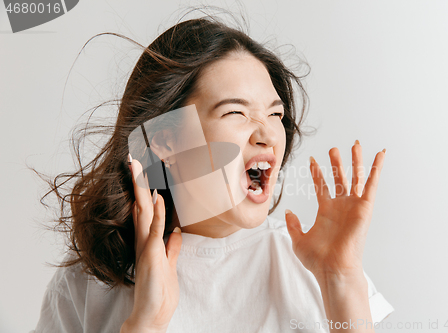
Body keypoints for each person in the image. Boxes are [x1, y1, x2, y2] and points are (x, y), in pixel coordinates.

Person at [32, 15, 394, 333]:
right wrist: (145, 325)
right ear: (164, 142)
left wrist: (341, 280)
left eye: (274, 114)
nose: (267, 134)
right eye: (236, 113)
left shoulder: (314, 267)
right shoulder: (87, 283)